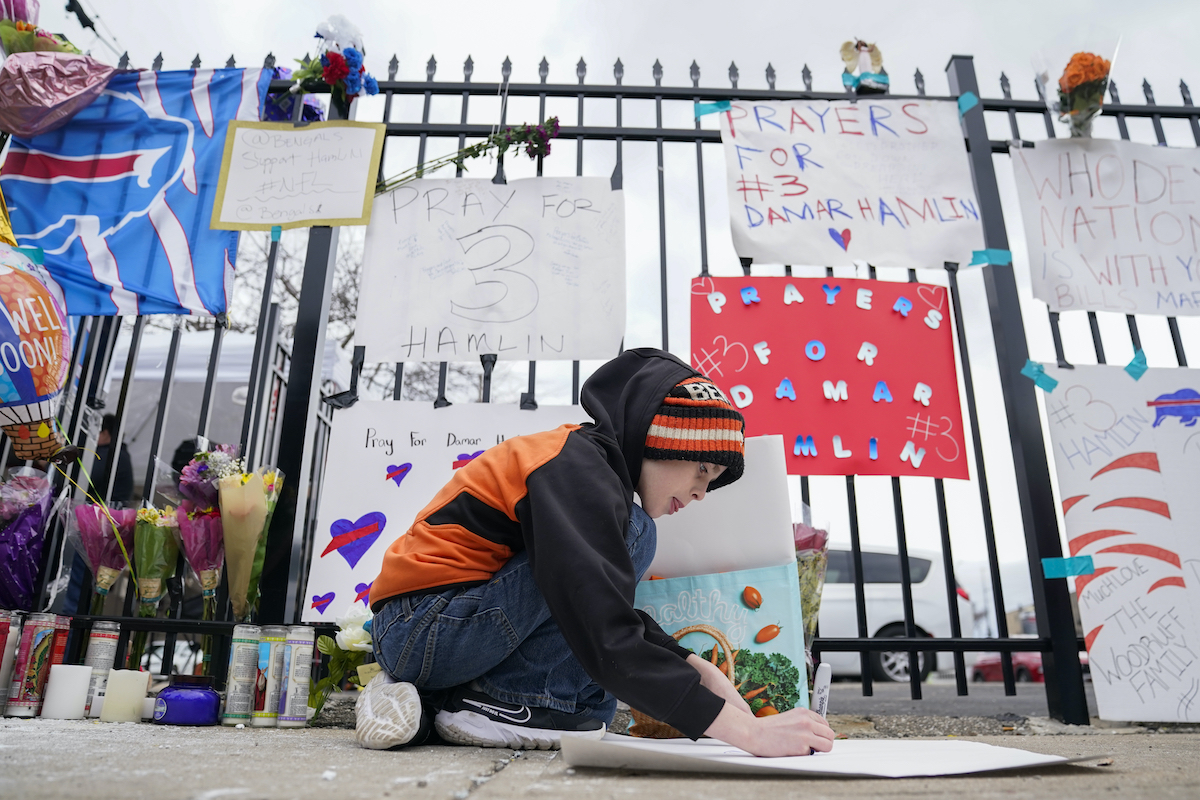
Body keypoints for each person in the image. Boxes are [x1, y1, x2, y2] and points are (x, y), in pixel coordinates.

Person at [355, 348, 835, 756]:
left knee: (589, 710)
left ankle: (433, 704)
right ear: (659, 439)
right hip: (424, 626)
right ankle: (499, 702)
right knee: (635, 537)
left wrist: (697, 667)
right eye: (701, 471)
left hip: (445, 627)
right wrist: (746, 732)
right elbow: (593, 612)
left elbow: (600, 603)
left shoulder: (589, 474)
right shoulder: (575, 467)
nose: (699, 495)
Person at [90, 413, 133, 505]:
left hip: (106, 511)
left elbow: (88, 478)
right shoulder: (120, 453)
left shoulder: (109, 454)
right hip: (114, 509)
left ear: (105, 433)